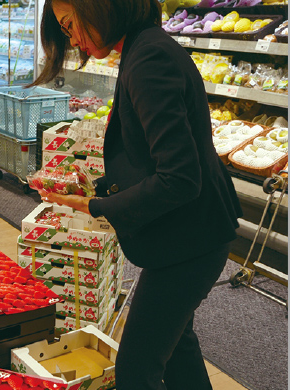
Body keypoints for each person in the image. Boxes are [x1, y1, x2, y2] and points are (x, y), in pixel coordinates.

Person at [33, 0, 243, 389]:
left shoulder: (148, 59)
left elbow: (179, 177)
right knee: (178, 345)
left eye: (68, 24)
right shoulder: (144, 48)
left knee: (135, 368)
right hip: (194, 231)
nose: (73, 38)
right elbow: (156, 158)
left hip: (190, 240)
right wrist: (92, 187)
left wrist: (98, 206)